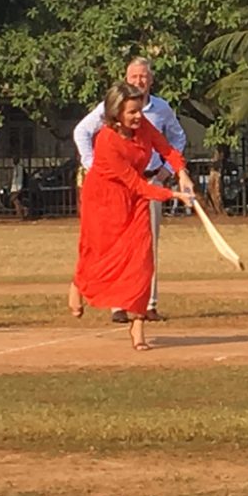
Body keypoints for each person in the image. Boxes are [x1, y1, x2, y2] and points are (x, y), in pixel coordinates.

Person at [67, 82, 195, 351]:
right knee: (99, 253)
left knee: (141, 260)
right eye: (132, 112)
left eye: (139, 111)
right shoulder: (107, 140)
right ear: (117, 113)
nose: (138, 117)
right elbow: (135, 184)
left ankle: (138, 329)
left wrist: (181, 173)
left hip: (135, 199)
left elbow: (167, 149)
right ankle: (79, 283)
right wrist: (173, 196)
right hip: (104, 199)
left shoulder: (143, 125)